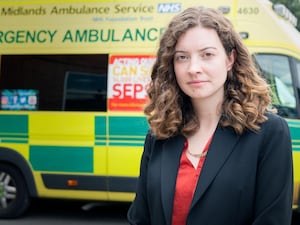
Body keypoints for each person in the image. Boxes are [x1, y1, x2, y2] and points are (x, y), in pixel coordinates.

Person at [127, 6, 293, 225]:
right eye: (182, 57)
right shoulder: (159, 134)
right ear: (172, 65)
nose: (194, 68)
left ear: (229, 59)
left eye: (207, 54)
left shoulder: (269, 132)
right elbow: (140, 218)